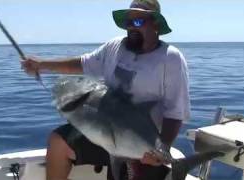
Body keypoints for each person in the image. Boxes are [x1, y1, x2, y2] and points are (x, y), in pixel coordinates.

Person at [21, 0, 190, 179]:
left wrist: (162, 150)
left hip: (142, 145)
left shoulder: (171, 59)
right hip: (105, 133)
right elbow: (82, 63)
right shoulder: (114, 47)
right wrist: (42, 65)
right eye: (128, 22)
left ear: (155, 23)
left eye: (138, 22)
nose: (132, 27)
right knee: (58, 142)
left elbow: (175, 112)